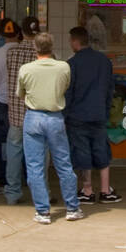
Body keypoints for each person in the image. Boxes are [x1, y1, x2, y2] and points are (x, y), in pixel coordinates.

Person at [17, 32, 80, 223]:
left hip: (33, 117)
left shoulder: (26, 69)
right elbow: (65, 88)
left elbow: (21, 93)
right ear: (52, 47)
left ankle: (42, 212)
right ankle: (72, 208)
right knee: (63, 164)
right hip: (55, 117)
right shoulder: (63, 67)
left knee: (35, 166)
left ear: (35, 48)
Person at [65, 26, 119, 204]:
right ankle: (105, 190)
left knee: (82, 152)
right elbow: (110, 89)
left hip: (77, 116)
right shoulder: (104, 61)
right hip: (99, 114)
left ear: (75, 41)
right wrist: (105, 109)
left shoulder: (72, 64)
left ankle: (87, 190)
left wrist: (66, 113)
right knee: (102, 149)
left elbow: (69, 93)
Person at [3, 22, 36, 205]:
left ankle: (12, 193)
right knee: (38, 155)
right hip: (37, 112)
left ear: (22, 32)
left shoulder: (12, 52)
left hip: (16, 112)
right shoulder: (43, 54)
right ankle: (41, 192)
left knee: (14, 153)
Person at [0, 19, 20, 185]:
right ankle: (22, 173)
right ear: (18, 33)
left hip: (2, 100)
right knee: (24, 139)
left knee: (4, 139)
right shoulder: (25, 52)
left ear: (2, 34)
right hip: (22, 102)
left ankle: (4, 173)